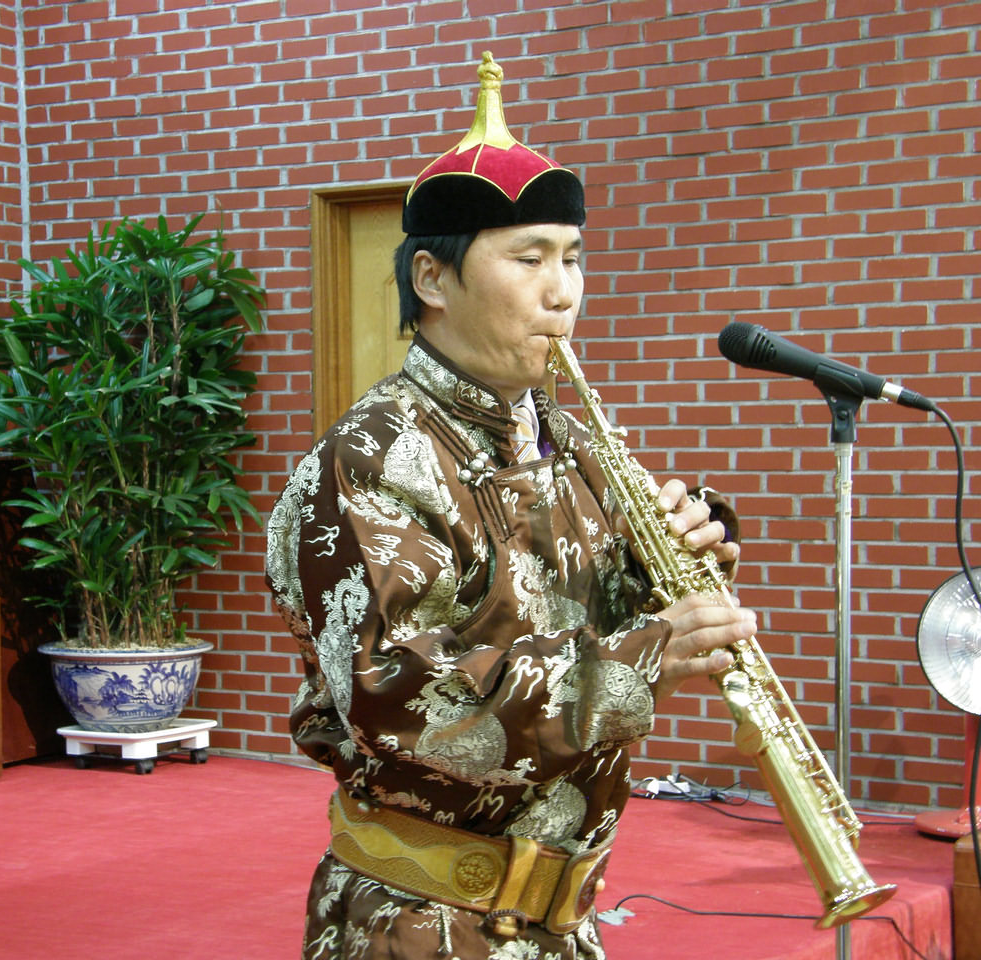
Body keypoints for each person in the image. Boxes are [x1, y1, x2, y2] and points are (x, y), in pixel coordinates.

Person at [265, 52, 757, 960]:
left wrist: (691, 552)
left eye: (572, 258)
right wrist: (650, 654)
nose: (563, 291)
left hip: (558, 917)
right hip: (424, 924)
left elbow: (596, 608)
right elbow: (405, 699)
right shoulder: (369, 460)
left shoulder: (571, 441)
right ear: (432, 282)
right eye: (529, 258)